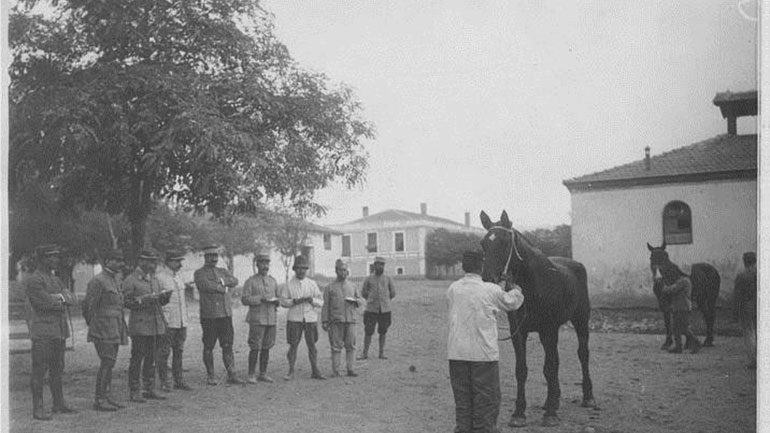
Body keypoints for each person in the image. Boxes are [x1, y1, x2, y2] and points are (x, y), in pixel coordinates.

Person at [446, 251, 525, 433]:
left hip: (457, 353)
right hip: (483, 355)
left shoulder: (453, 289)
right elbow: (511, 302)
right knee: (486, 400)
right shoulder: (491, 289)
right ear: (481, 266)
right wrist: (515, 289)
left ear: (464, 267)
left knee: (463, 400)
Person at [24, 244, 78, 420]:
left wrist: (59, 298)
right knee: (39, 369)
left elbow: (72, 299)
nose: (56, 259)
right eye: (51, 256)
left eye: (56, 256)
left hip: (59, 330)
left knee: (57, 368)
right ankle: (38, 408)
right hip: (43, 331)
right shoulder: (35, 279)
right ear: (42, 259)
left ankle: (58, 403)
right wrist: (60, 299)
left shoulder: (56, 279)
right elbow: (43, 303)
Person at [123, 250, 172, 402]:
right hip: (140, 325)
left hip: (154, 325)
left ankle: (149, 388)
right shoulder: (130, 280)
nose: (153, 264)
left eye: (154, 261)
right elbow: (126, 302)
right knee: (137, 358)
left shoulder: (154, 279)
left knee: (151, 357)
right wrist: (144, 300)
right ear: (141, 261)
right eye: (150, 261)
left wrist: (164, 298)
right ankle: (134, 390)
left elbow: (159, 300)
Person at [83, 250, 128, 411]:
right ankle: (99, 399)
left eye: (121, 260)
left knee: (111, 362)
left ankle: (106, 396)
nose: (120, 264)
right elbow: (88, 306)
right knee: (107, 362)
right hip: (102, 328)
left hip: (114, 327)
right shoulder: (98, 281)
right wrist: (95, 325)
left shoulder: (114, 279)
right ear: (107, 261)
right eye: (116, 260)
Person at [194, 244, 244, 385]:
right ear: (205, 257)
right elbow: (205, 285)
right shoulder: (199, 273)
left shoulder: (222, 271)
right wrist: (222, 288)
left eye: (215, 256)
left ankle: (232, 374)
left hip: (225, 314)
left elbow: (234, 281)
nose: (213, 259)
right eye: (210, 256)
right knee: (208, 346)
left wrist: (222, 281)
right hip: (209, 315)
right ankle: (211, 375)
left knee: (227, 345)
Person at [278, 255, 325, 380]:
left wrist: (312, 300)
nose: (301, 271)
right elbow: (283, 301)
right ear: (294, 269)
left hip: (310, 318)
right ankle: (291, 371)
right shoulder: (289, 285)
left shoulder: (312, 284)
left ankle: (315, 370)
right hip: (295, 318)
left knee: (312, 345)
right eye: (298, 268)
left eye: (303, 268)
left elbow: (321, 301)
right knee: (293, 345)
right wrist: (294, 302)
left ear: (306, 269)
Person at [322, 259, 365, 377]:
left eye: (345, 270)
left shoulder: (353, 286)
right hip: (336, 321)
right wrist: (325, 320)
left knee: (351, 345)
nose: (343, 272)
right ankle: (335, 370)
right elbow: (325, 305)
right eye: (341, 270)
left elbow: (361, 300)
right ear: (336, 270)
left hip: (350, 320)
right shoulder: (330, 287)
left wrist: (356, 301)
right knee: (336, 346)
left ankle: (350, 369)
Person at [241, 253, 280, 383]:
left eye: (267, 263)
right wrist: (260, 299)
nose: (265, 266)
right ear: (257, 264)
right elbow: (245, 299)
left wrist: (276, 301)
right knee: (255, 346)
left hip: (271, 318)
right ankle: (251, 374)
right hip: (257, 318)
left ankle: (263, 373)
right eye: (262, 263)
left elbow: (278, 298)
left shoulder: (273, 281)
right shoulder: (251, 281)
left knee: (266, 346)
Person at [156, 250, 193, 391]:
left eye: (180, 261)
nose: (180, 264)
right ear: (169, 262)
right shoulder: (159, 278)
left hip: (181, 320)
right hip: (168, 321)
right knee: (164, 352)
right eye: (177, 261)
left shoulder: (179, 277)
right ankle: (165, 381)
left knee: (179, 350)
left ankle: (179, 380)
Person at [359, 256, 396, 360]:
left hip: (385, 309)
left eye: (382, 265)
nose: (380, 267)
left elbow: (393, 293)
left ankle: (381, 353)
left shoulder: (388, 278)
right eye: (378, 264)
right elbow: (364, 293)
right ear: (374, 265)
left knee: (383, 331)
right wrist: (371, 300)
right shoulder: (368, 279)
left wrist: (385, 301)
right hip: (371, 309)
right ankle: (364, 353)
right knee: (368, 331)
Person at [660, 263, 701, 354]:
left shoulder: (683, 281)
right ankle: (678, 347)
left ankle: (696, 342)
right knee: (676, 328)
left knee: (683, 328)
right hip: (679, 307)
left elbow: (673, 289)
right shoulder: (684, 280)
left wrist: (664, 287)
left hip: (682, 307)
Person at [733, 251, 757, 369]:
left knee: (749, 333)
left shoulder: (742, 275)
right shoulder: (760, 273)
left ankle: (753, 360)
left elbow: (737, 295)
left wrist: (735, 311)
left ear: (744, 262)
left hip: (746, 306)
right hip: (760, 305)